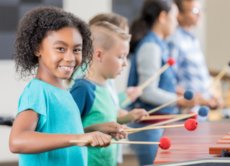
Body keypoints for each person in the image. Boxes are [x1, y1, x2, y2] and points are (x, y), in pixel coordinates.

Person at [9, 7, 112, 166]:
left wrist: (96, 131)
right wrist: (79, 138)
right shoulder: (37, 91)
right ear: (37, 48)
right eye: (61, 49)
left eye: (76, 49)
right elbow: (17, 140)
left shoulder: (64, 92)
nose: (70, 58)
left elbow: (65, 135)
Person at [70, 21, 148, 166]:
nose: (125, 63)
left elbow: (106, 121)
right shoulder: (83, 89)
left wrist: (128, 118)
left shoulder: (106, 87)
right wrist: (97, 130)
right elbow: (67, 134)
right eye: (121, 56)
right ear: (99, 55)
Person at [127, 0, 194, 165]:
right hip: (149, 128)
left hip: (157, 127)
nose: (177, 22)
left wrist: (176, 91)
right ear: (163, 17)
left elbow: (159, 83)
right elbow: (148, 91)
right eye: (174, 17)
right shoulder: (151, 46)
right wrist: (179, 100)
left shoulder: (158, 44)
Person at [71, 13, 142, 108]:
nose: (126, 40)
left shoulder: (105, 76)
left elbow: (105, 107)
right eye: (122, 35)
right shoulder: (84, 79)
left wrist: (125, 97)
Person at [170, 0, 222, 109]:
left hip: (201, 110)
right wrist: (192, 98)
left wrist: (212, 96)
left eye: (200, 9)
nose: (199, 14)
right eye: (194, 10)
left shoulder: (193, 39)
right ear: (178, 15)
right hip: (186, 111)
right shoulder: (174, 40)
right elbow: (169, 81)